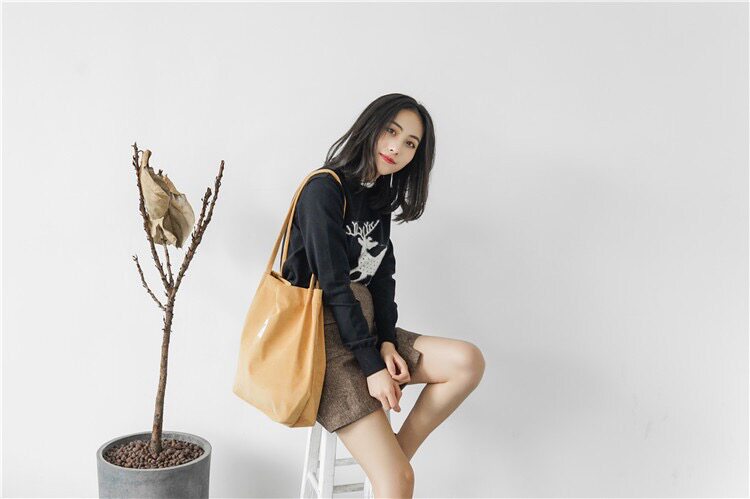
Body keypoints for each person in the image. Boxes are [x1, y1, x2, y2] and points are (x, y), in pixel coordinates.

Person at [282, 93, 485, 498]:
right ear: (371, 127)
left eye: (410, 142)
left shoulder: (377, 196)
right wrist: (373, 366)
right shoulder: (323, 190)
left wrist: (387, 341)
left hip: (368, 333)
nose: (397, 147)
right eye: (391, 131)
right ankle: (392, 475)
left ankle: (393, 463)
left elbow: (381, 278)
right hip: (325, 347)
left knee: (467, 361)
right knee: (399, 481)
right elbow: (334, 288)